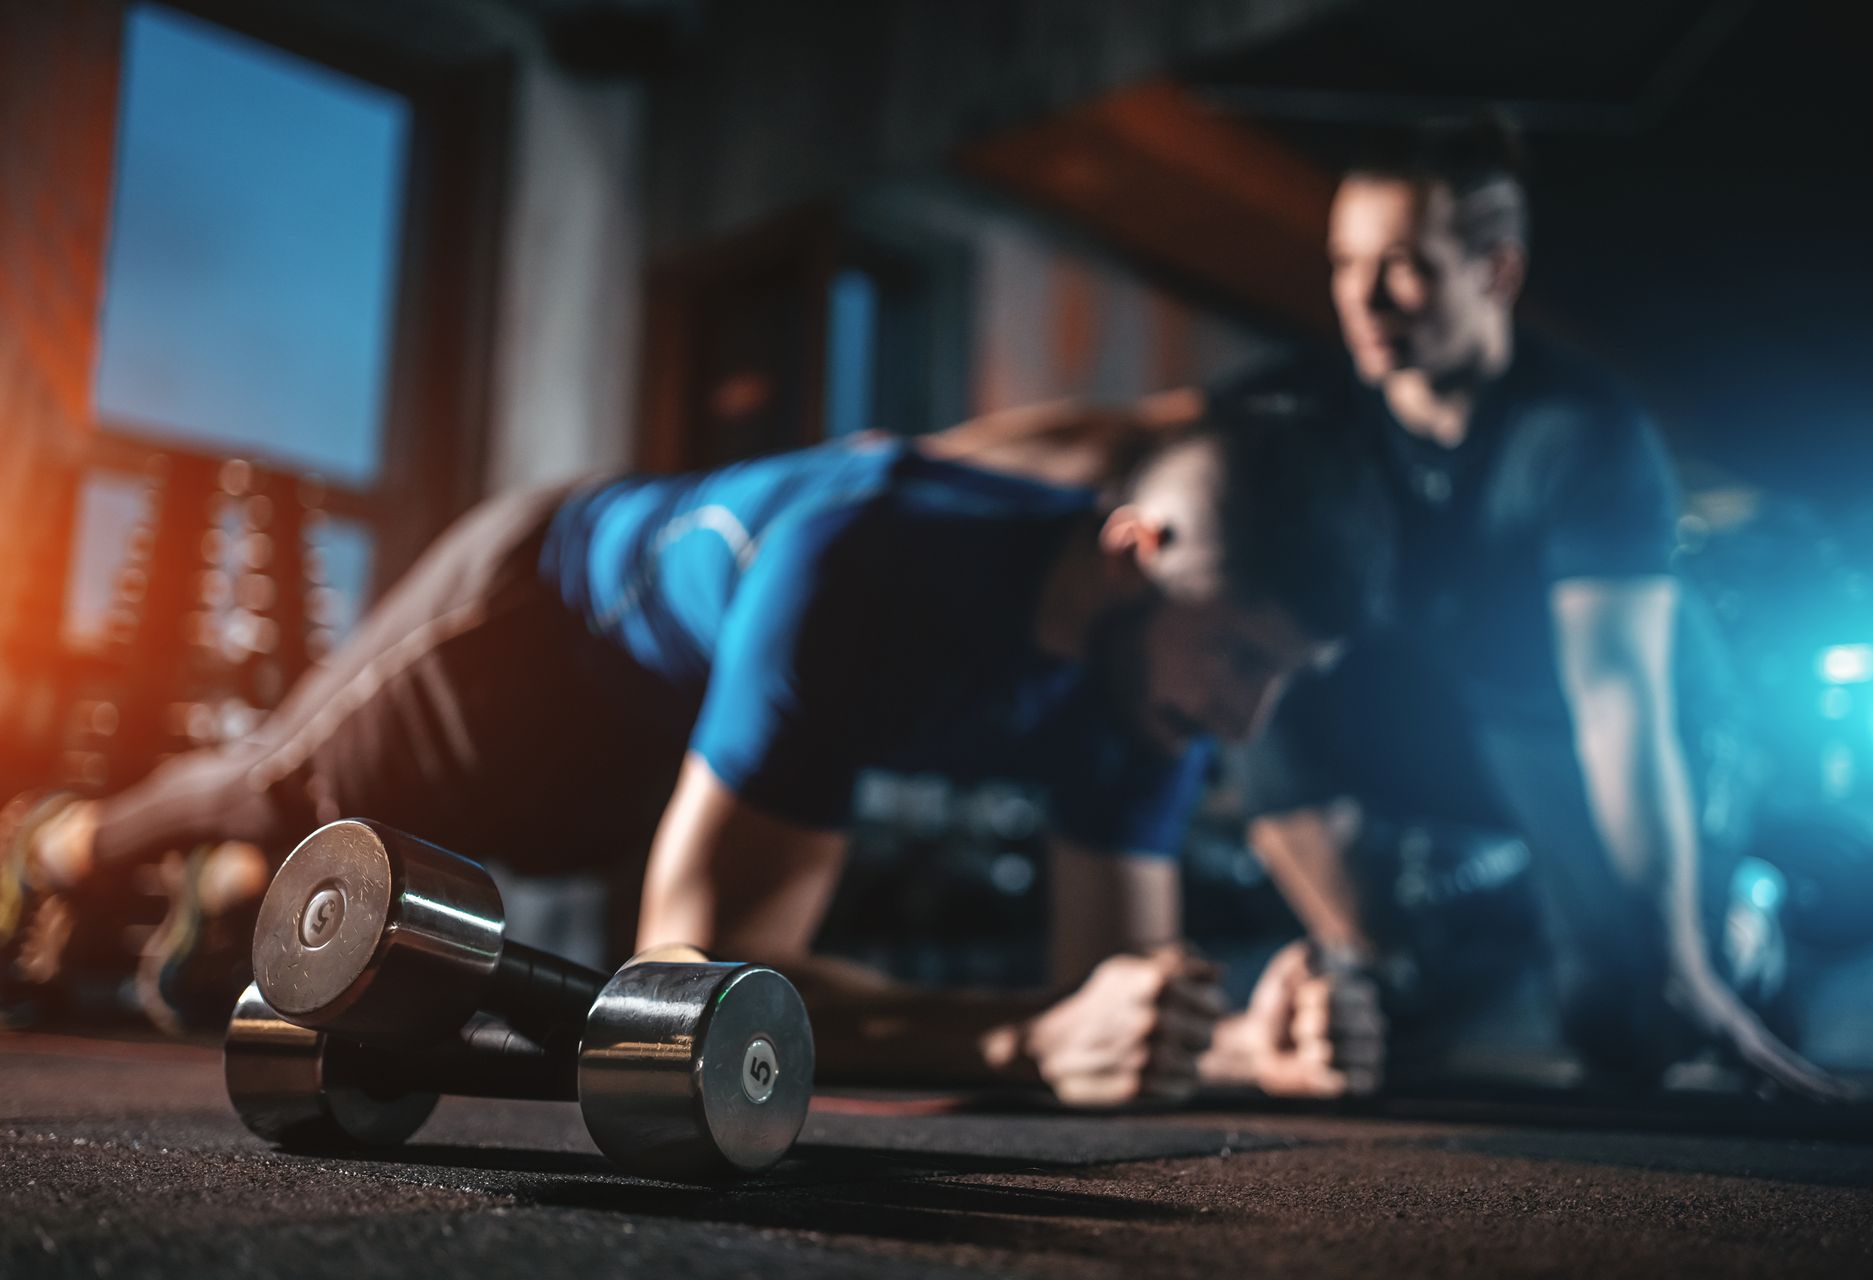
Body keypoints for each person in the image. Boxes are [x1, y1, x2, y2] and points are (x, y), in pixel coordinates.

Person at [1, 383, 1391, 1104]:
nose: (1245, 722)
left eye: (1283, 679)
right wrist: (1024, 1044)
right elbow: (688, 981)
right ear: (1136, 554)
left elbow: (1105, 995)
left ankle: (229, 897)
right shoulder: (865, 561)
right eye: (1244, 661)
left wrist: (1228, 1042)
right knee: (272, 792)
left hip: (661, 750)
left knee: (309, 882)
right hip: (530, 631)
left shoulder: (1157, 687)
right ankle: (57, 844)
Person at [1228, 117, 1842, 1097]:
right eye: (1345, 263)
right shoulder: (1321, 407)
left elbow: (1617, 708)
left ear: (1496, 273)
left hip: (1614, 726)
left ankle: (1739, 920)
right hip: (1463, 710)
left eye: (1404, 267)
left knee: (1631, 1028)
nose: (1363, 298)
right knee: (1266, 680)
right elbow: (1132, 436)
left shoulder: (1585, 434)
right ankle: (1392, 968)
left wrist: (1681, 957)